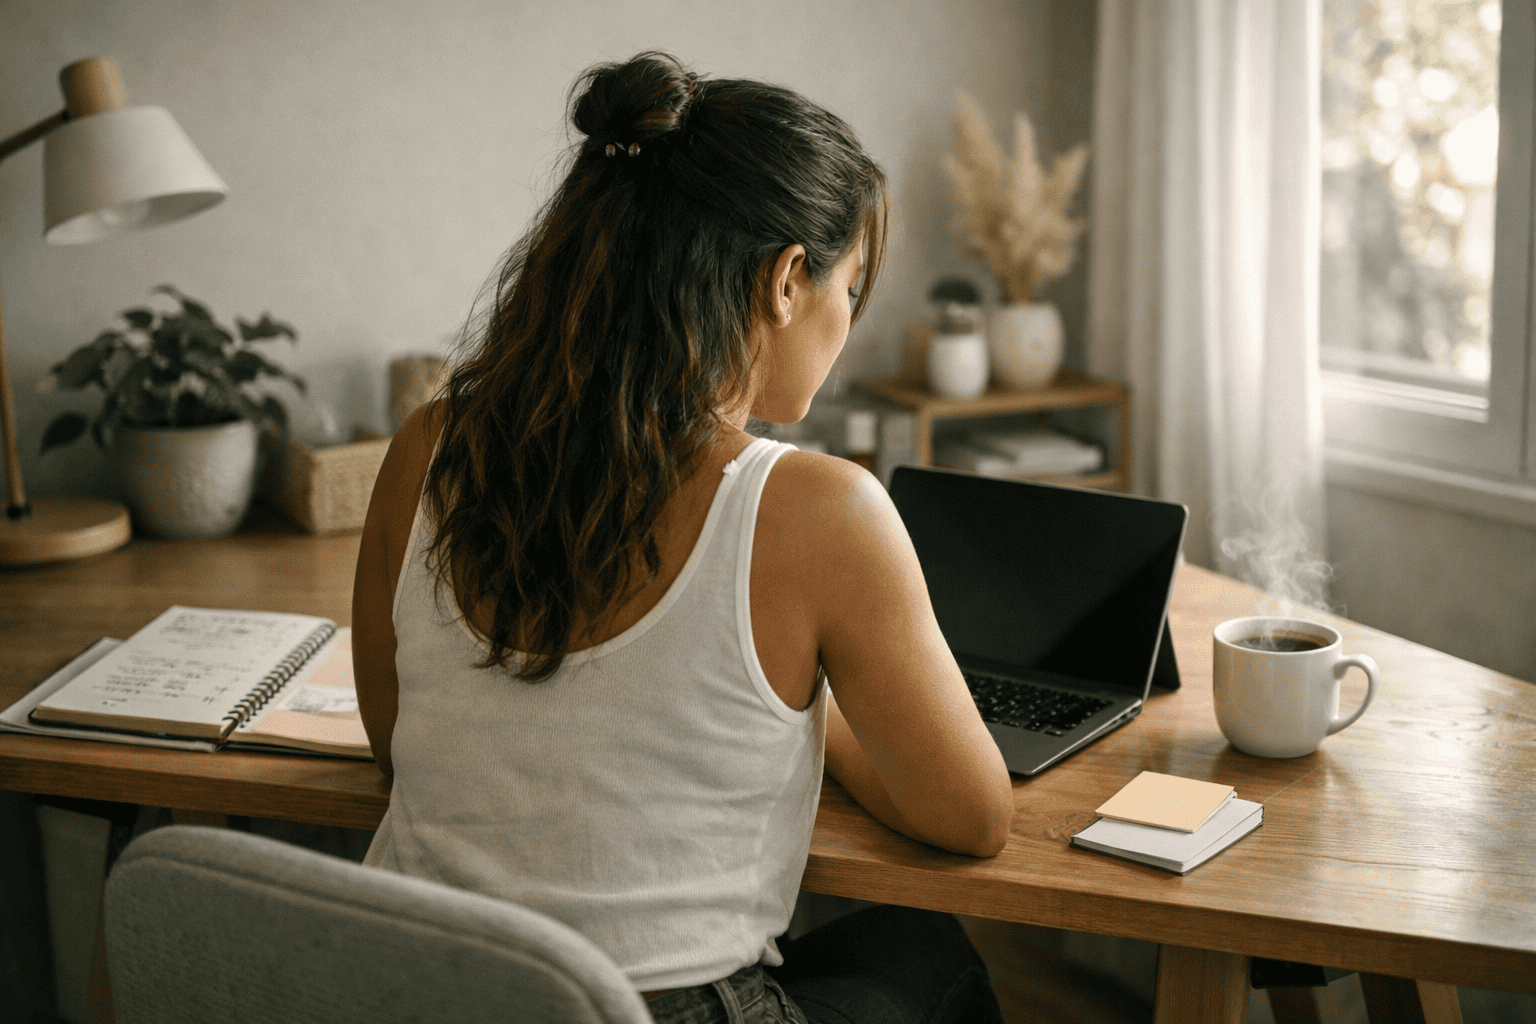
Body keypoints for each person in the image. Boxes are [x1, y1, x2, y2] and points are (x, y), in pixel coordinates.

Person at [353, 51, 1013, 1024]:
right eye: (851, 284)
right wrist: (805, 708)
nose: (848, 321)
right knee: (923, 953)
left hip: (405, 988)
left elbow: (392, 735)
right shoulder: (823, 508)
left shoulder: (430, 444)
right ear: (788, 279)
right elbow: (972, 816)